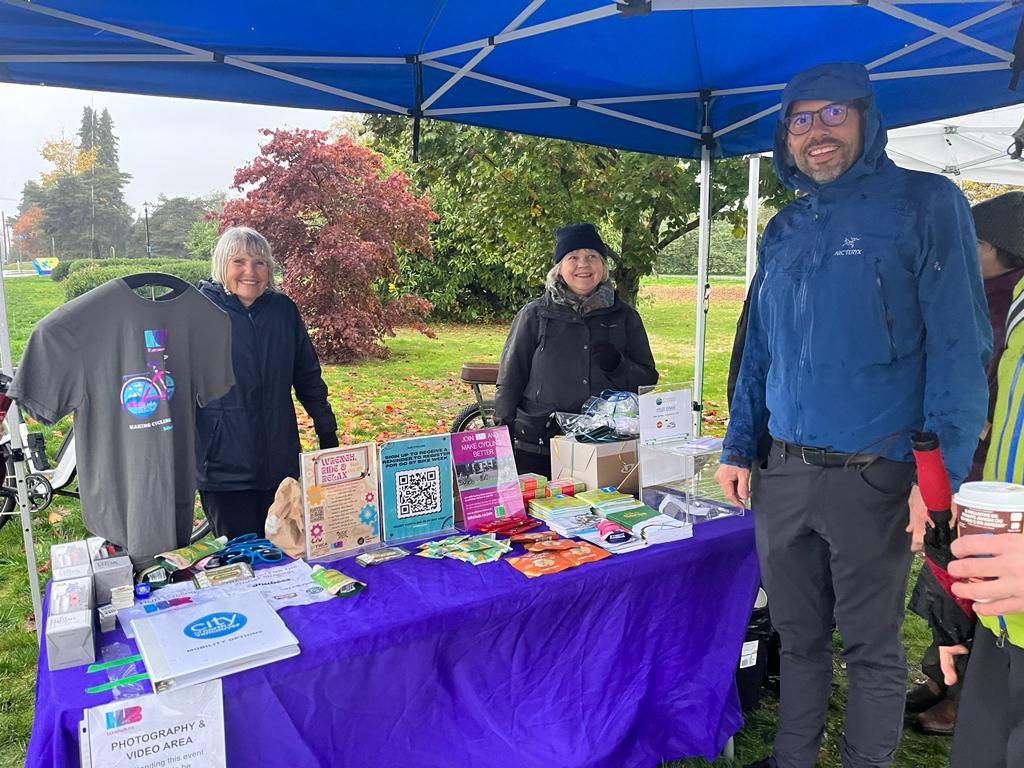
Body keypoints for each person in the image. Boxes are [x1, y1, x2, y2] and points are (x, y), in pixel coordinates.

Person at [715, 62, 991, 768]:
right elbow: (759, 351)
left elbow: (960, 345)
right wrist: (738, 446)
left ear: (867, 120)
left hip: (877, 475)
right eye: (801, 120)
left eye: (834, 114)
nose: (818, 133)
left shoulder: (925, 204)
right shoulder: (782, 228)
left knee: (870, 648)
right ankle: (792, 759)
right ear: (786, 135)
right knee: (800, 638)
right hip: (784, 475)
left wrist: (940, 480)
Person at [909, 191, 1024, 735]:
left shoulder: (1002, 305)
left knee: (969, 583)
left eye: (972, 243)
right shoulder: (974, 296)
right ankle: (942, 677)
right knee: (945, 578)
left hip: (990, 477)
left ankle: (961, 691)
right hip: (971, 467)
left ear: (1002, 250)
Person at [195, 226, 338, 539]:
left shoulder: (283, 311)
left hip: (279, 461)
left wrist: (326, 430)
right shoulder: (198, 312)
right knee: (239, 561)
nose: (250, 271)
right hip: (224, 467)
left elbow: (307, 375)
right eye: (239, 262)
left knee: (286, 553)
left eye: (259, 263)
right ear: (222, 264)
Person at [494, 223, 658, 477]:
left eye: (593, 256)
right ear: (559, 267)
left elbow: (647, 381)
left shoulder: (624, 317)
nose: (584, 264)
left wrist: (617, 365)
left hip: (604, 447)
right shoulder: (535, 314)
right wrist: (501, 435)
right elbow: (510, 378)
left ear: (602, 266)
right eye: (574, 257)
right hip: (538, 446)